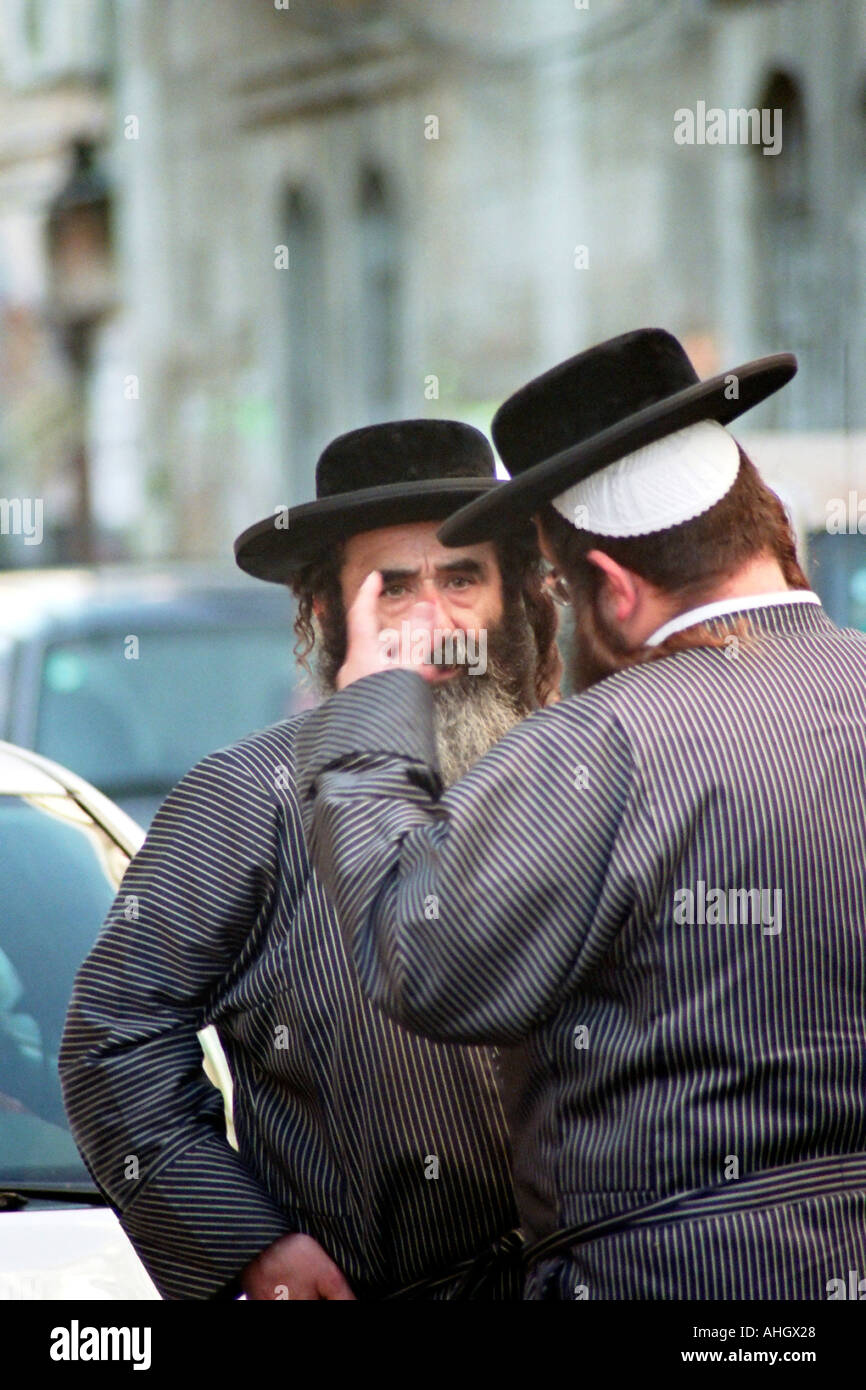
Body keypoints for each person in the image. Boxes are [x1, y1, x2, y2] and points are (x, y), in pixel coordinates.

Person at [294, 329, 866, 1300]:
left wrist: (366, 719)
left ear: (608, 587)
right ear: (760, 526)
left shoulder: (601, 748)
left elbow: (420, 959)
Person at [59, 418, 561, 1300]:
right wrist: (249, 1245)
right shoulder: (247, 797)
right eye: (393, 589)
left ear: (512, 594)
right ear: (327, 611)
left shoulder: (577, 770)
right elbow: (112, 1040)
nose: (433, 621)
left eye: (462, 578)